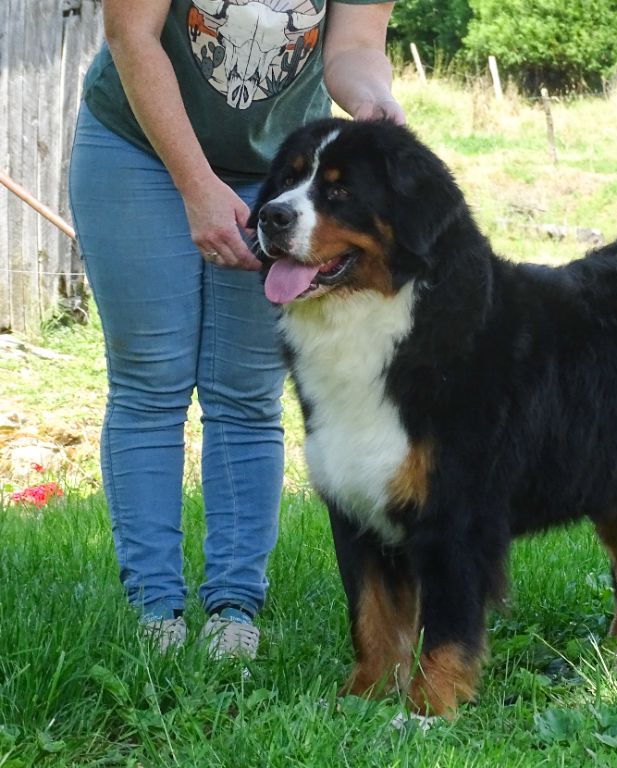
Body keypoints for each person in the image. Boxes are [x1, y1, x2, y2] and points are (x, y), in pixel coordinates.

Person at [68, 0, 404, 657]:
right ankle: (155, 614)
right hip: (135, 145)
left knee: (246, 394)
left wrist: (374, 101)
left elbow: (351, 48)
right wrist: (195, 184)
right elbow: (130, 34)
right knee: (150, 381)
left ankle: (233, 613)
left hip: (282, 167)